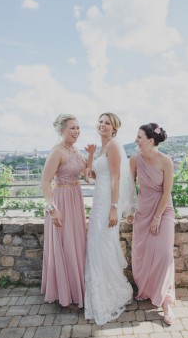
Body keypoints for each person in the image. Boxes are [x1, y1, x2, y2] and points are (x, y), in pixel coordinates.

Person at [41, 113, 96, 308]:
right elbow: (45, 182)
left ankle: (76, 287)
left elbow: (88, 176)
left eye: (78, 128)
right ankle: (64, 291)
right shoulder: (57, 151)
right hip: (61, 201)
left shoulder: (75, 150)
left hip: (76, 200)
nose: (76, 131)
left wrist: (90, 155)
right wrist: (52, 208)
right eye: (72, 128)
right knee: (65, 244)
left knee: (77, 243)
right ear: (61, 130)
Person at [84, 112, 133, 325]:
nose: (102, 125)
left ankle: (111, 294)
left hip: (107, 204)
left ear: (114, 128)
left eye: (107, 123)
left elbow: (116, 178)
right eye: (101, 122)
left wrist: (114, 208)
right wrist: (91, 156)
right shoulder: (101, 147)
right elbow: (91, 176)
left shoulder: (113, 146)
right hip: (97, 203)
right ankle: (99, 291)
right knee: (95, 246)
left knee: (102, 245)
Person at [126, 122, 176, 325]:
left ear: (150, 140)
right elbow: (130, 188)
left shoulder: (166, 161)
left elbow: (166, 192)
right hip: (143, 210)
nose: (136, 140)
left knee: (164, 254)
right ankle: (147, 290)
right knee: (142, 253)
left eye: (139, 137)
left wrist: (157, 218)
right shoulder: (134, 160)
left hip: (163, 210)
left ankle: (166, 303)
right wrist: (129, 211)